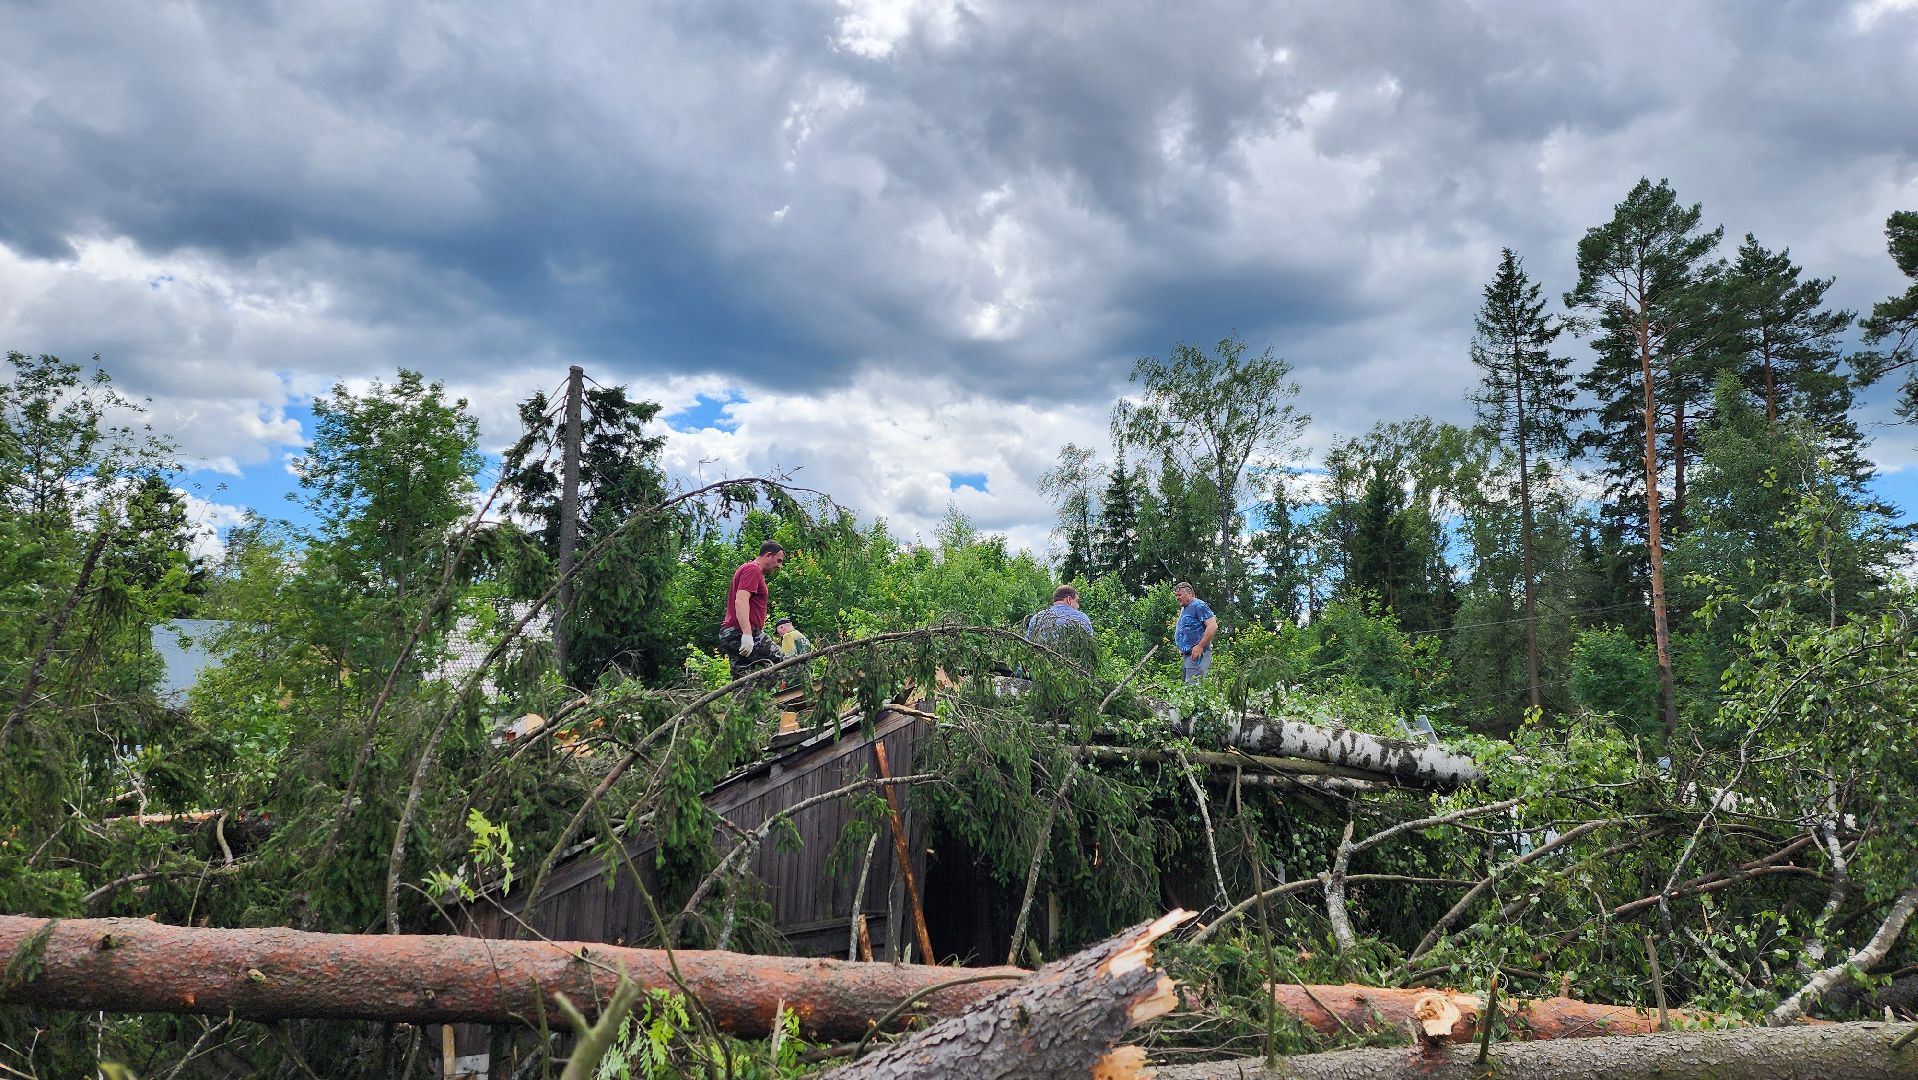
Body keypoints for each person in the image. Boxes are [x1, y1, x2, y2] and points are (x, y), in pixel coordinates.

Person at [719, 540, 786, 676]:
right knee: (781, 661)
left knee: (742, 679)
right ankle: (766, 696)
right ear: (768, 555)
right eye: (778, 561)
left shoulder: (751, 570)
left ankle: (750, 697)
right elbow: (741, 601)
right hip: (739, 632)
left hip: (732, 633)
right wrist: (747, 634)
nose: (780, 566)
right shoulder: (752, 569)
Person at [1025, 584, 1095, 650]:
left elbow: (1028, 645)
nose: (1078, 606)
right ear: (1069, 599)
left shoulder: (1037, 618)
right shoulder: (1081, 618)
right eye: (1077, 601)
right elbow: (1089, 648)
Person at [1173, 581, 1217, 684]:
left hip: (1198, 655)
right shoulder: (1185, 608)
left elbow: (1213, 626)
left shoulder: (1198, 605)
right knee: (1188, 687)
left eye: (1179, 595)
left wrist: (1200, 646)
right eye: (1176, 595)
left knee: (1193, 688)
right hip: (1188, 655)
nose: (1177, 598)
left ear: (1189, 593)